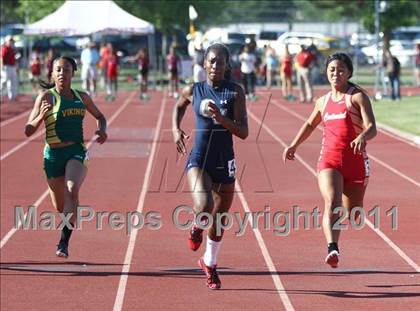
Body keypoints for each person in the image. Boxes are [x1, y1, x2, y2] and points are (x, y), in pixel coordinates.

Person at [283, 53, 376, 268]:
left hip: (356, 163)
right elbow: (309, 124)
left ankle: (350, 212)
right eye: (332, 69)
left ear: (349, 72)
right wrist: (294, 145)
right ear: (326, 72)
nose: (336, 73)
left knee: (354, 213)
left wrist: (362, 136)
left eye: (341, 69)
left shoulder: (357, 97)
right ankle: (332, 247)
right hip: (329, 161)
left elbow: (372, 127)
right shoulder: (322, 102)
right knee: (332, 202)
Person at [172, 43, 248, 289]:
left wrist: (221, 119)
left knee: (218, 219)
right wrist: (175, 129)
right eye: (212, 61)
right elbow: (179, 106)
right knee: (203, 206)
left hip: (224, 161)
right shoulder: (194, 90)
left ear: (227, 65)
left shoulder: (235, 92)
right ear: (204, 63)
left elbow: (244, 132)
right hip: (200, 158)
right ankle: (196, 226)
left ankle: (210, 264)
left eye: (221, 62)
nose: (216, 66)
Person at [24, 56, 107, 258]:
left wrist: (102, 131)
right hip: (52, 155)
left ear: (73, 72)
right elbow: (28, 130)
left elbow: (100, 117)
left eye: (66, 70)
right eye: (58, 70)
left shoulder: (82, 97)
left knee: (72, 189)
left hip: (76, 151)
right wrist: (39, 117)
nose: (62, 73)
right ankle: (69, 216)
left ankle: (63, 243)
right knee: (61, 206)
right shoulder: (45, 97)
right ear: (52, 73)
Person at [1, 36, 18, 101]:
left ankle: (12, 97)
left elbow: (14, 59)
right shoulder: (5, 48)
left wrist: (16, 66)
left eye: (12, 41)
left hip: (12, 66)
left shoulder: (12, 49)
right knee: (4, 81)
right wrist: (2, 66)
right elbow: (2, 58)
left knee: (12, 81)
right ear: (7, 41)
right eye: (10, 41)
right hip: (6, 66)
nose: (11, 42)